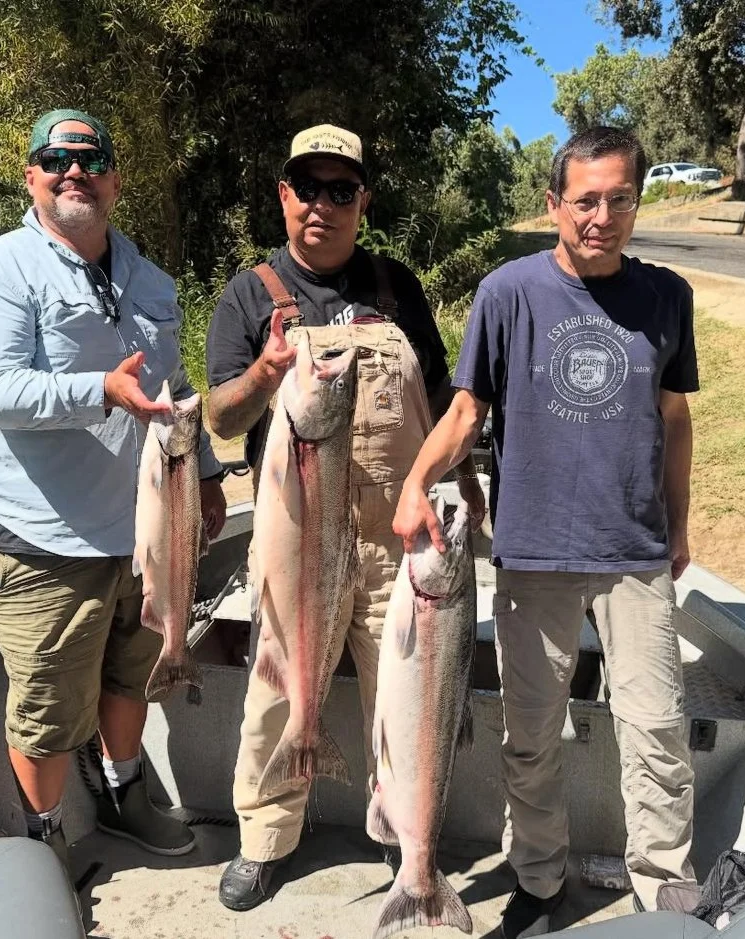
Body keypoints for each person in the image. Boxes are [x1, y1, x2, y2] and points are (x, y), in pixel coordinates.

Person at [392, 125, 699, 937]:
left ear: (638, 200)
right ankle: (537, 882)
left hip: (634, 553)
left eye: (620, 198)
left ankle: (663, 892)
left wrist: (678, 522)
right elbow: (465, 412)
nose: (601, 215)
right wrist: (416, 482)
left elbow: (674, 416)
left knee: (658, 731)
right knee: (529, 738)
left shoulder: (667, 295)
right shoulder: (506, 292)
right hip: (532, 552)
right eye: (585, 199)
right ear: (553, 203)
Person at [205, 123, 486, 911]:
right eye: (308, 188)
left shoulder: (396, 287)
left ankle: (407, 848)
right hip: (296, 542)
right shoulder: (248, 293)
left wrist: (462, 479)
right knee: (273, 696)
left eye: (341, 190)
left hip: (397, 542)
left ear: (362, 200)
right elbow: (223, 419)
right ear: (283, 195)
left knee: (408, 699)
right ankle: (264, 840)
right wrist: (265, 371)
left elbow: (439, 402)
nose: (322, 205)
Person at [0, 108, 226, 867]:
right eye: (56, 157)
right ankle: (43, 850)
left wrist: (202, 474)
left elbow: (175, 387)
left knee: (133, 675)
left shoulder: (151, 278)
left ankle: (127, 793)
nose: (75, 170)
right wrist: (97, 389)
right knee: (44, 710)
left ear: (115, 180)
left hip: (144, 533)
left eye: (91, 158)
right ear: (31, 176)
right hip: (43, 539)